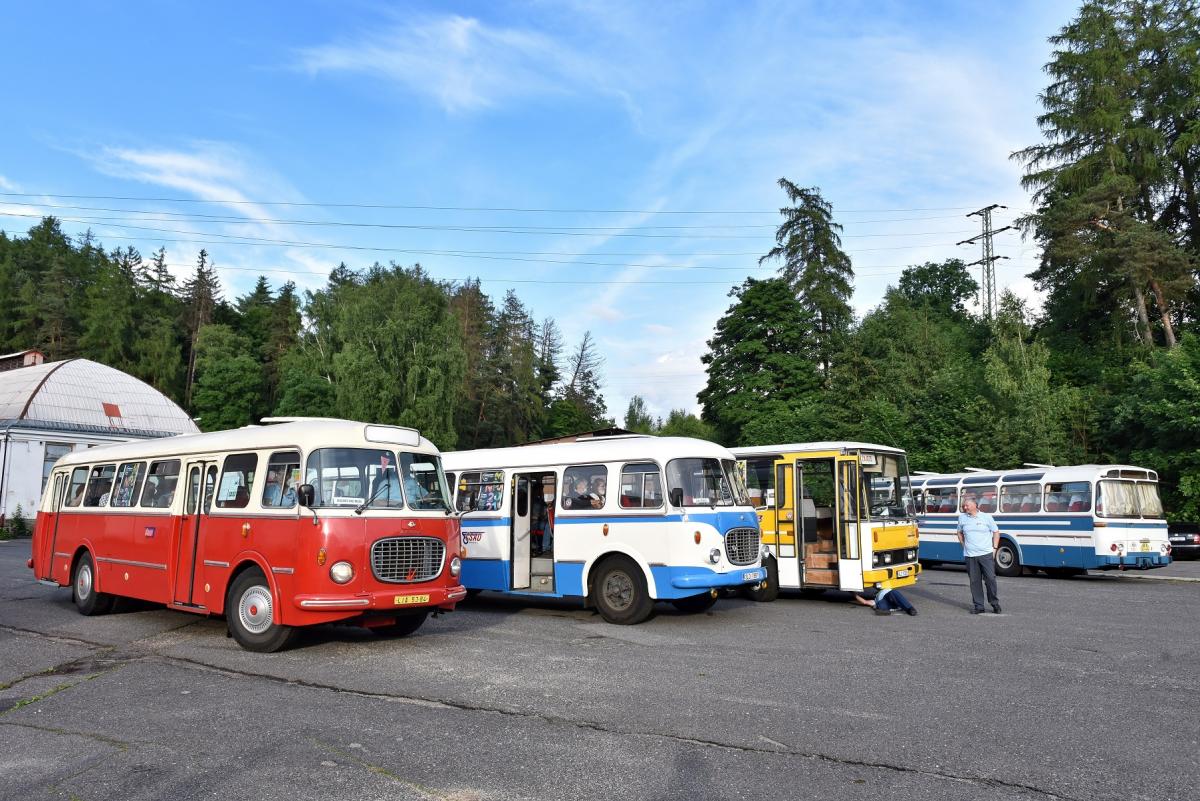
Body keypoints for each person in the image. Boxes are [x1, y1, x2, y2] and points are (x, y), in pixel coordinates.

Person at [957, 494, 1002, 614]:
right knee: (974, 582)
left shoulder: (986, 517)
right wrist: (964, 546)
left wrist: (995, 548)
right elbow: (959, 532)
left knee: (990, 579)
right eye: (964, 505)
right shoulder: (962, 518)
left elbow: (996, 532)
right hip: (970, 556)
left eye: (967, 505)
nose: (965, 507)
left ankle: (994, 603)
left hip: (986, 554)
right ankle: (979, 606)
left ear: (974, 505)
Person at [853, 587, 918, 616]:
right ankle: (881, 609)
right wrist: (853, 594)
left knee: (893, 593)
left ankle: (910, 609)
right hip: (887, 604)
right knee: (879, 605)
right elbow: (864, 602)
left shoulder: (885, 588)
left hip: (891, 595)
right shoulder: (875, 599)